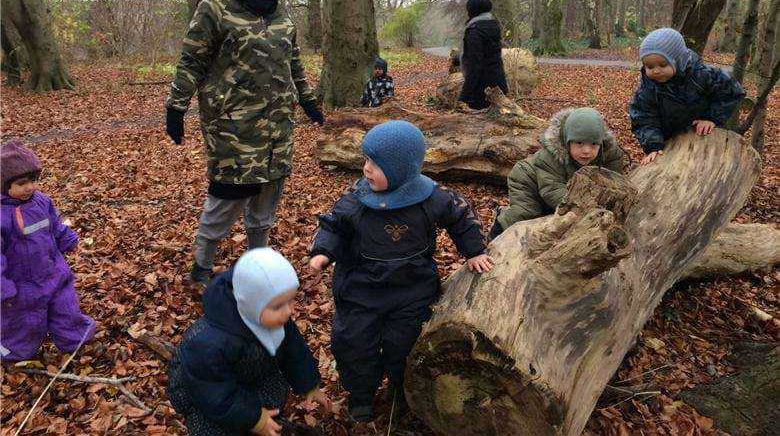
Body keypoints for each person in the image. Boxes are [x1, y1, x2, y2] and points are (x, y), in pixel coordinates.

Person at [164, 0, 324, 284]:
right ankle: (202, 268)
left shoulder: (280, 9)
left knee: (265, 205)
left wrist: (308, 99)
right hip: (233, 129)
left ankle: (256, 267)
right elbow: (191, 60)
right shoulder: (216, 6)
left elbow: (292, 60)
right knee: (225, 202)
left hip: (278, 127)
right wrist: (176, 106)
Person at [308, 120, 493, 423]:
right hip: (360, 292)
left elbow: (460, 215)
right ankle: (361, 395)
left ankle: (401, 388)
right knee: (355, 346)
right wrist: (322, 254)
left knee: (404, 345)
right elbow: (333, 225)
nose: (365, 169)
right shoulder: (357, 200)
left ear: (401, 169)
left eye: (375, 164)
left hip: (411, 291)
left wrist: (474, 251)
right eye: (365, 159)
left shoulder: (430, 197)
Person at [167, 248, 331, 436]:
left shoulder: (272, 317)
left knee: (274, 396)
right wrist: (253, 418)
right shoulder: (209, 342)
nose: (288, 311)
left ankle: (262, 420)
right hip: (208, 396)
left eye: (291, 300)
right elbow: (213, 393)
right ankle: (251, 420)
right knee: (214, 428)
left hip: (254, 374)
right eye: (278, 305)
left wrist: (309, 384)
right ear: (251, 303)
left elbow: (293, 350)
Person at [0, 140, 95, 362]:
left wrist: (67, 239)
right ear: (4, 185)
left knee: (66, 309)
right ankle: (13, 355)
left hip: (54, 272)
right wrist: (4, 289)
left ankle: (75, 341)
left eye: (33, 180)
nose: (30, 187)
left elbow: (54, 224)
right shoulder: (2, 216)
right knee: (24, 323)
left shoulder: (41, 202)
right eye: (22, 183)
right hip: (22, 285)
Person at [490, 108, 625, 239]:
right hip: (528, 181)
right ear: (567, 141)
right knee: (526, 213)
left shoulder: (609, 153)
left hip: (565, 187)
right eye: (579, 143)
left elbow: (613, 180)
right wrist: (577, 208)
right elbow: (552, 189)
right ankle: (497, 230)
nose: (586, 151)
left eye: (594, 144)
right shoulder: (551, 156)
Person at [629, 28, 745, 166]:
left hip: (706, 138)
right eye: (649, 66)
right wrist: (653, 145)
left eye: (663, 64)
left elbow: (731, 90)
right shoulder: (647, 90)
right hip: (670, 144)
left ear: (678, 60)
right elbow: (643, 118)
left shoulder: (700, 75)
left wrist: (711, 118)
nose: (656, 70)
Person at [458, 0, 508, 110]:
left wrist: (464, 95)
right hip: (499, 84)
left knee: (480, 125)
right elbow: (490, 55)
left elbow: (475, 65)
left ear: (472, 11)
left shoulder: (475, 31)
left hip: (482, 90)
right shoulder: (494, 26)